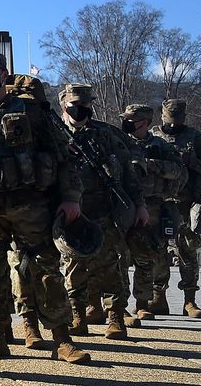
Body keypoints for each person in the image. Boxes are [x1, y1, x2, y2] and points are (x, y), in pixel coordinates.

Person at [0, 52, 90, 364]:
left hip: (31, 202)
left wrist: (71, 198)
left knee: (46, 270)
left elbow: (65, 157)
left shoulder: (32, 111)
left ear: (4, 75)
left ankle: (62, 338)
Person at [56, 85, 146, 340]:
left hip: (104, 207)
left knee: (110, 264)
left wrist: (139, 205)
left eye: (86, 105)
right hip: (70, 209)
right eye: (75, 104)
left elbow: (129, 172)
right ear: (64, 104)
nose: (81, 110)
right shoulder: (54, 133)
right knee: (73, 265)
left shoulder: (105, 134)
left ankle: (116, 317)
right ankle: (78, 316)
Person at [119, 104, 186, 323]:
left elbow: (179, 172)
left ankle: (142, 303)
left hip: (153, 207)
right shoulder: (119, 142)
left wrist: (152, 165)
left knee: (146, 257)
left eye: (132, 119)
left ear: (144, 122)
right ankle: (119, 305)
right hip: (123, 205)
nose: (127, 122)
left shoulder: (160, 145)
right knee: (120, 257)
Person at [150, 99, 201, 318]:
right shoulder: (153, 136)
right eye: (169, 120)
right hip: (159, 202)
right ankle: (158, 297)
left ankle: (190, 300)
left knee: (187, 249)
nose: (173, 125)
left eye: (177, 121)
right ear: (162, 116)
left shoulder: (195, 138)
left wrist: (193, 161)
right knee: (157, 250)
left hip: (186, 203)